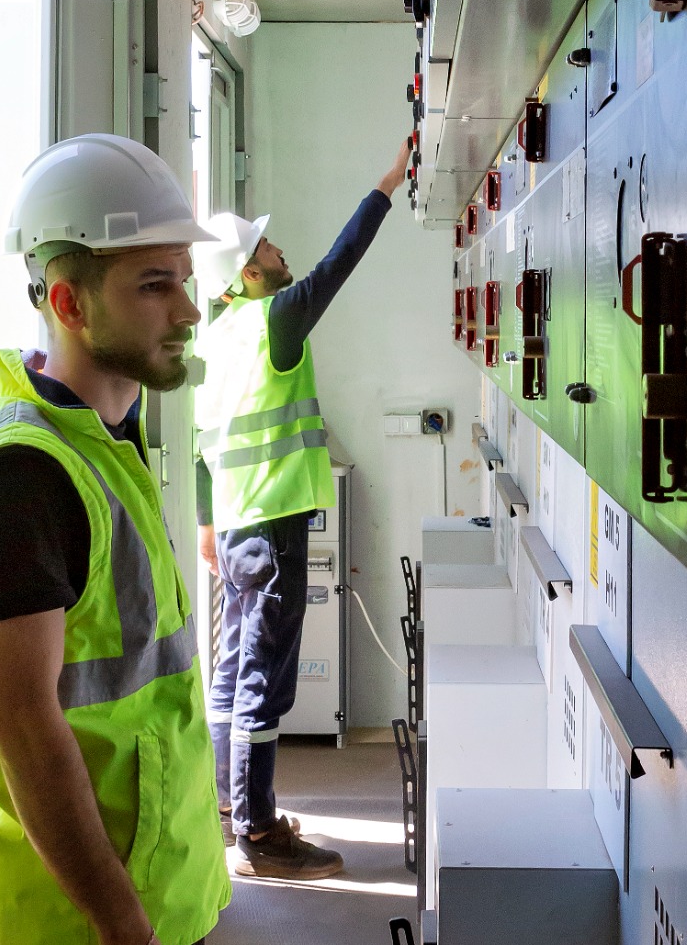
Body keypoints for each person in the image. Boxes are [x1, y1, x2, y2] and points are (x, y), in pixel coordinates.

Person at [0, 134, 230, 945]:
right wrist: (121, 923)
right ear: (69, 303)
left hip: (160, 896)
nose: (188, 310)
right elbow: (24, 729)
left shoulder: (106, 440)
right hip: (84, 922)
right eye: (154, 284)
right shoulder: (23, 477)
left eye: (185, 280)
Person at [191, 139, 411, 880]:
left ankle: (227, 810)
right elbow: (337, 265)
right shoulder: (273, 321)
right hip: (273, 524)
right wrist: (385, 184)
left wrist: (205, 525)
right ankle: (257, 835)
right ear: (250, 272)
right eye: (267, 246)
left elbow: (201, 444)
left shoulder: (217, 338)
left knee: (231, 671)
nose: (280, 250)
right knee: (264, 680)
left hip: (233, 525)